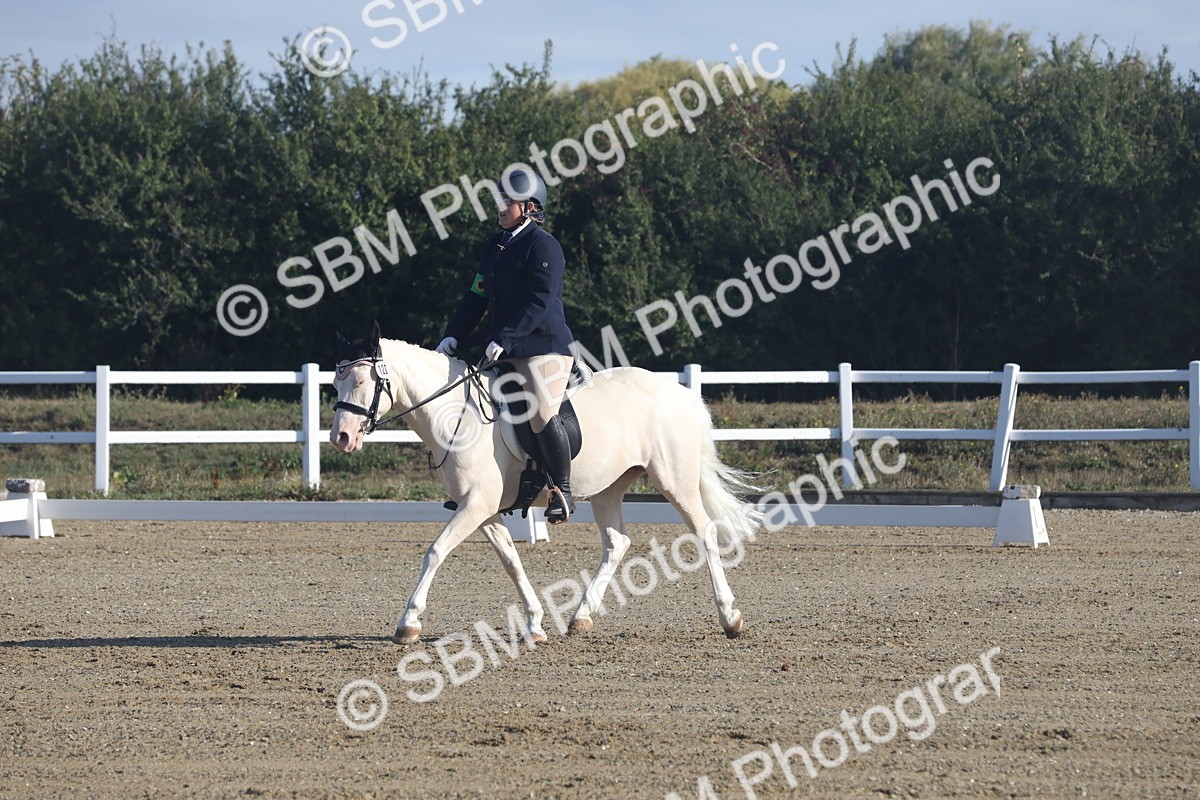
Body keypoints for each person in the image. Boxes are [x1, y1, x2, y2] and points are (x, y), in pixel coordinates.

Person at [435, 170, 577, 523]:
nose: (500, 207)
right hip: (505, 347)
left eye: (507, 201)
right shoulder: (495, 247)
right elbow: (476, 295)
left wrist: (506, 337)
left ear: (529, 207)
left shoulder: (544, 246)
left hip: (544, 347)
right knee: (474, 405)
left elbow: (539, 301)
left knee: (542, 411)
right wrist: (454, 333)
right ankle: (480, 484)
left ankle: (562, 490)